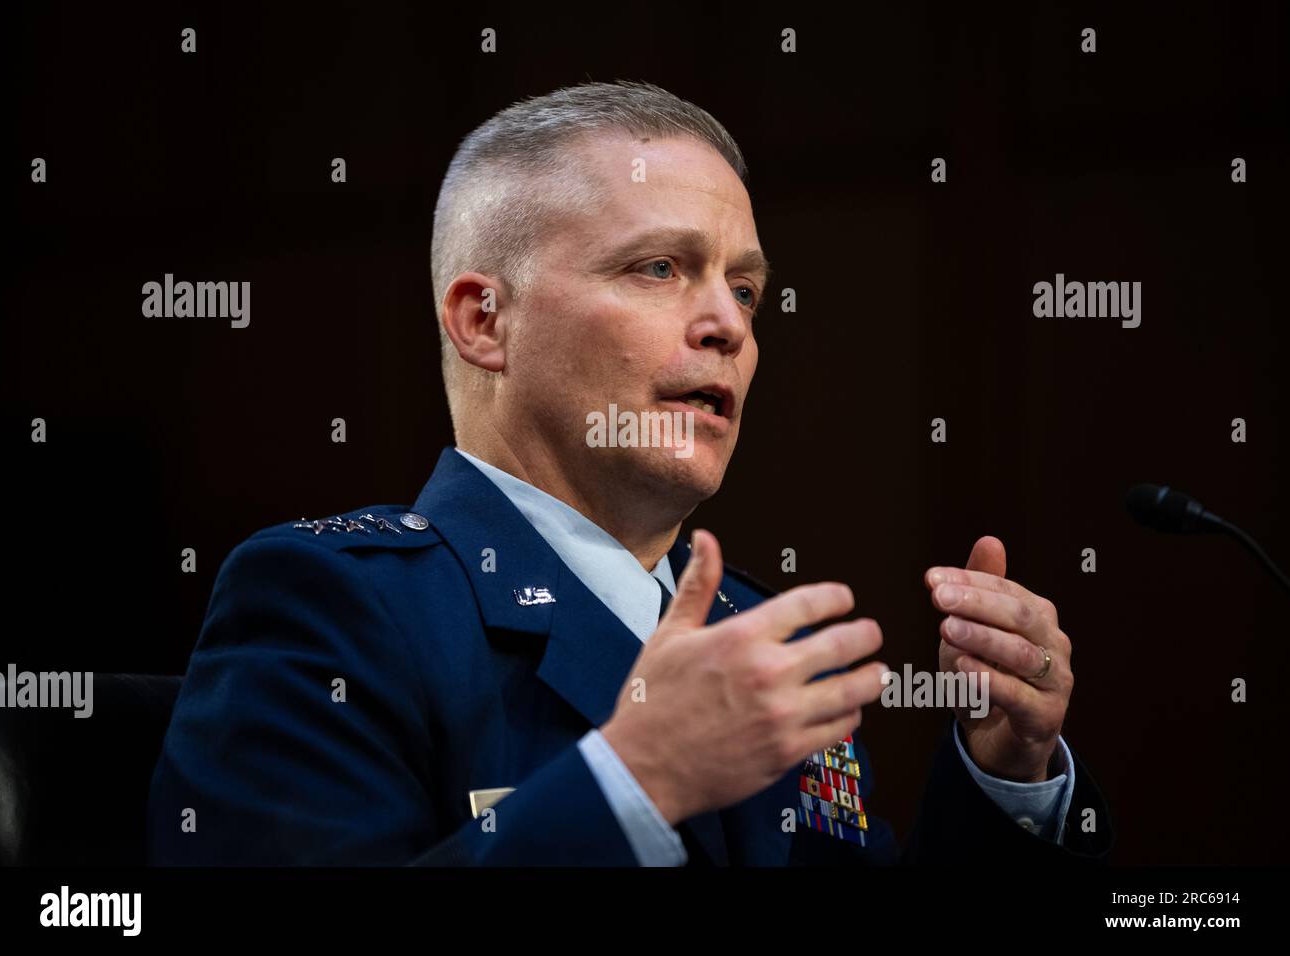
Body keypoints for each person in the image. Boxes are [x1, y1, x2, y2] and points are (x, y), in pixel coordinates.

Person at [148, 80, 1111, 865]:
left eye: (744, 289)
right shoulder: (331, 607)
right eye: (658, 269)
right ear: (485, 322)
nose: (729, 324)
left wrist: (1008, 777)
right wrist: (632, 784)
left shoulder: (758, 634)